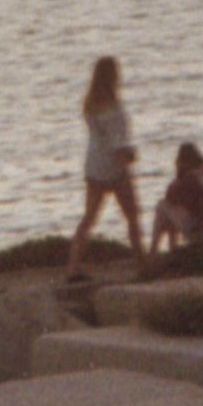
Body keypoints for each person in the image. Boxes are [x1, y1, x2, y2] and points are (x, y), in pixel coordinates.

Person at [66, 55, 144, 278]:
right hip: (114, 168)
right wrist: (130, 158)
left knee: (89, 217)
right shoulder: (114, 109)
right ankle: (141, 263)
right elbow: (119, 146)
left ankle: (73, 266)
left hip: (94, 166)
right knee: (132, 215)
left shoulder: (90, 105)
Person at [151, 140, 203, 258]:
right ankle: (171, 249)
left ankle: (154, 251)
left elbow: (170, 195)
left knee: (162, 206)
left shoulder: (188, 179)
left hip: (196, 228)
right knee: (169, 210)